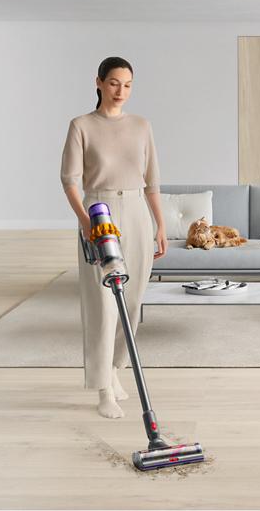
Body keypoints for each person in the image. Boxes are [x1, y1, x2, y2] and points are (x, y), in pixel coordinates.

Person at [60, 57, 166, 419]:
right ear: (99, 83)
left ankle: (117, 370)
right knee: (103, 306)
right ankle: (102, 388)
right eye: (115, 83)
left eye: (128, 84)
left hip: (137, 212)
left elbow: (152, 182)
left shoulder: (141, 126)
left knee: (132, 303)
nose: (121, 91)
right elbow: (70, 180)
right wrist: (84, 221)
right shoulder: (82, 126)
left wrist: (160, 225)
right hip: (99, 212)